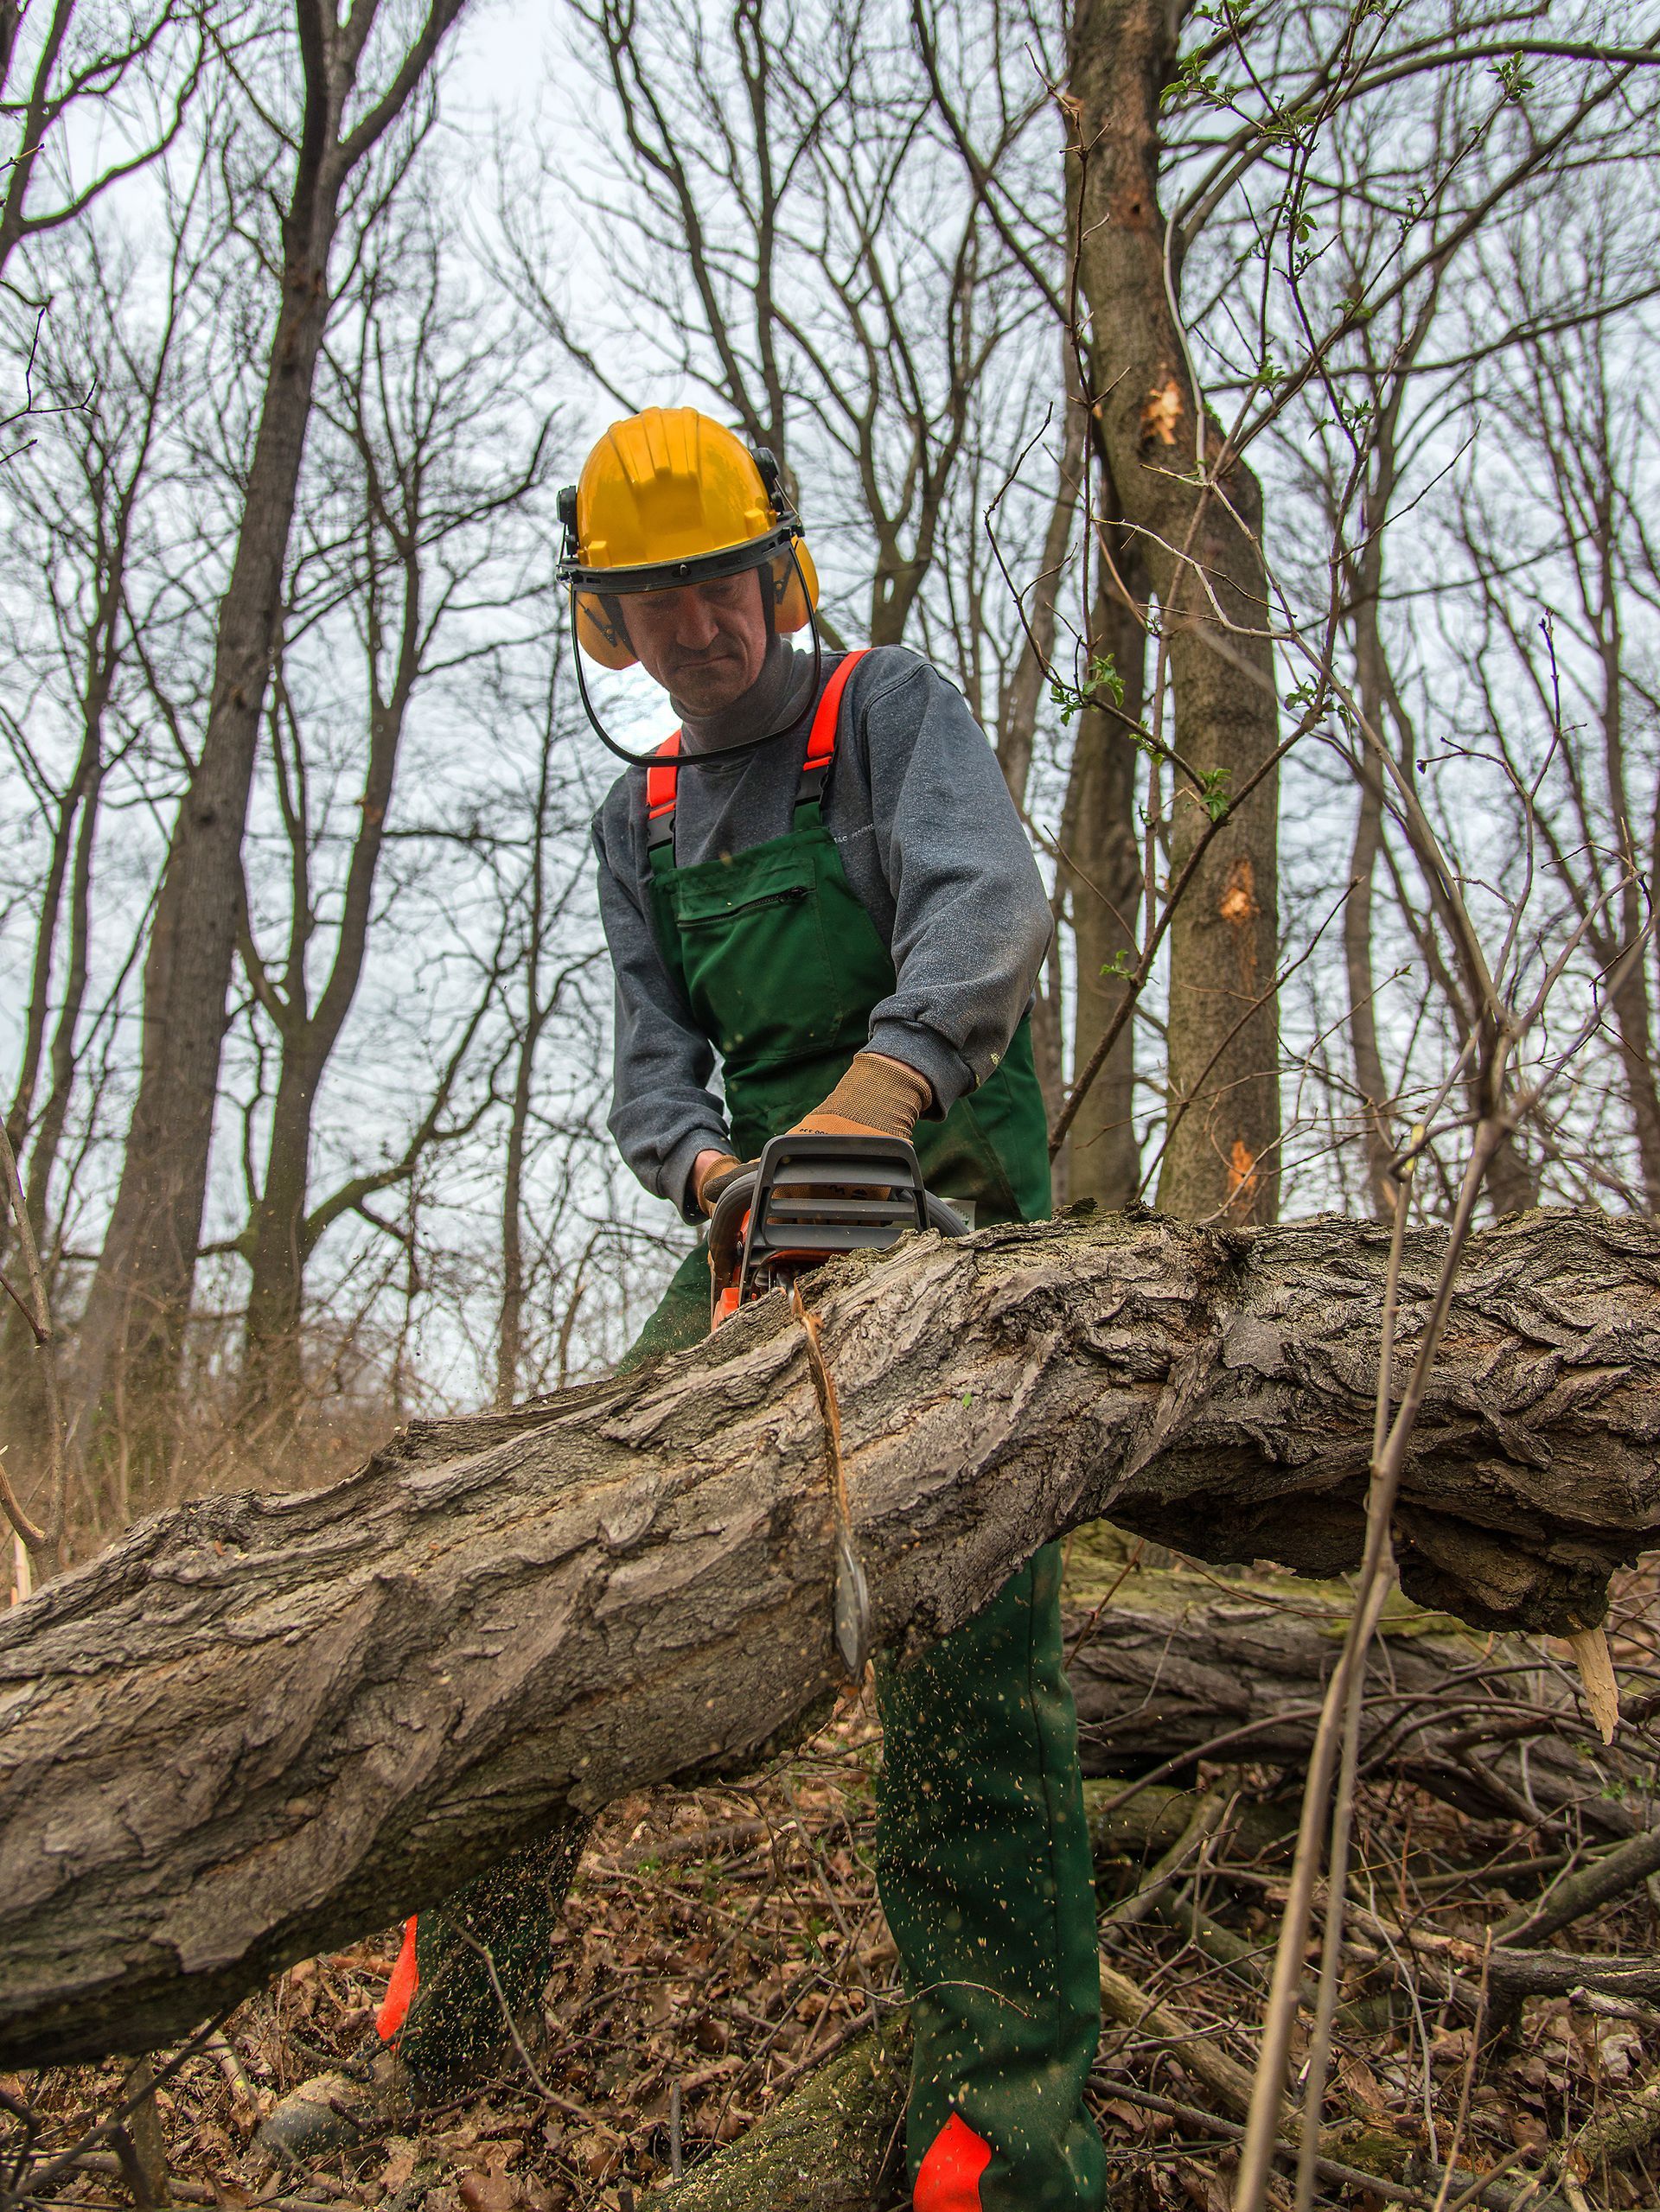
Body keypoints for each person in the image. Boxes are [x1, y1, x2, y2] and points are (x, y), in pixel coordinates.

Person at [260, 407, 1106, 2212]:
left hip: (942, 1176)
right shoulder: (632, 813)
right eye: (655, 598)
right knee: (539, 1569)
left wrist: (879, 1100)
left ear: (773, 569)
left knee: (969, 1641)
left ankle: (1005, 2138)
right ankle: (454, 2022)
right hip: (759, 1216)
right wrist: (717, 1180)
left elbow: (986, 908)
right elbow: (656, 1073)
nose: (700, 622)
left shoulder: (888, 708)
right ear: (608, 624)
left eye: (721, 579)